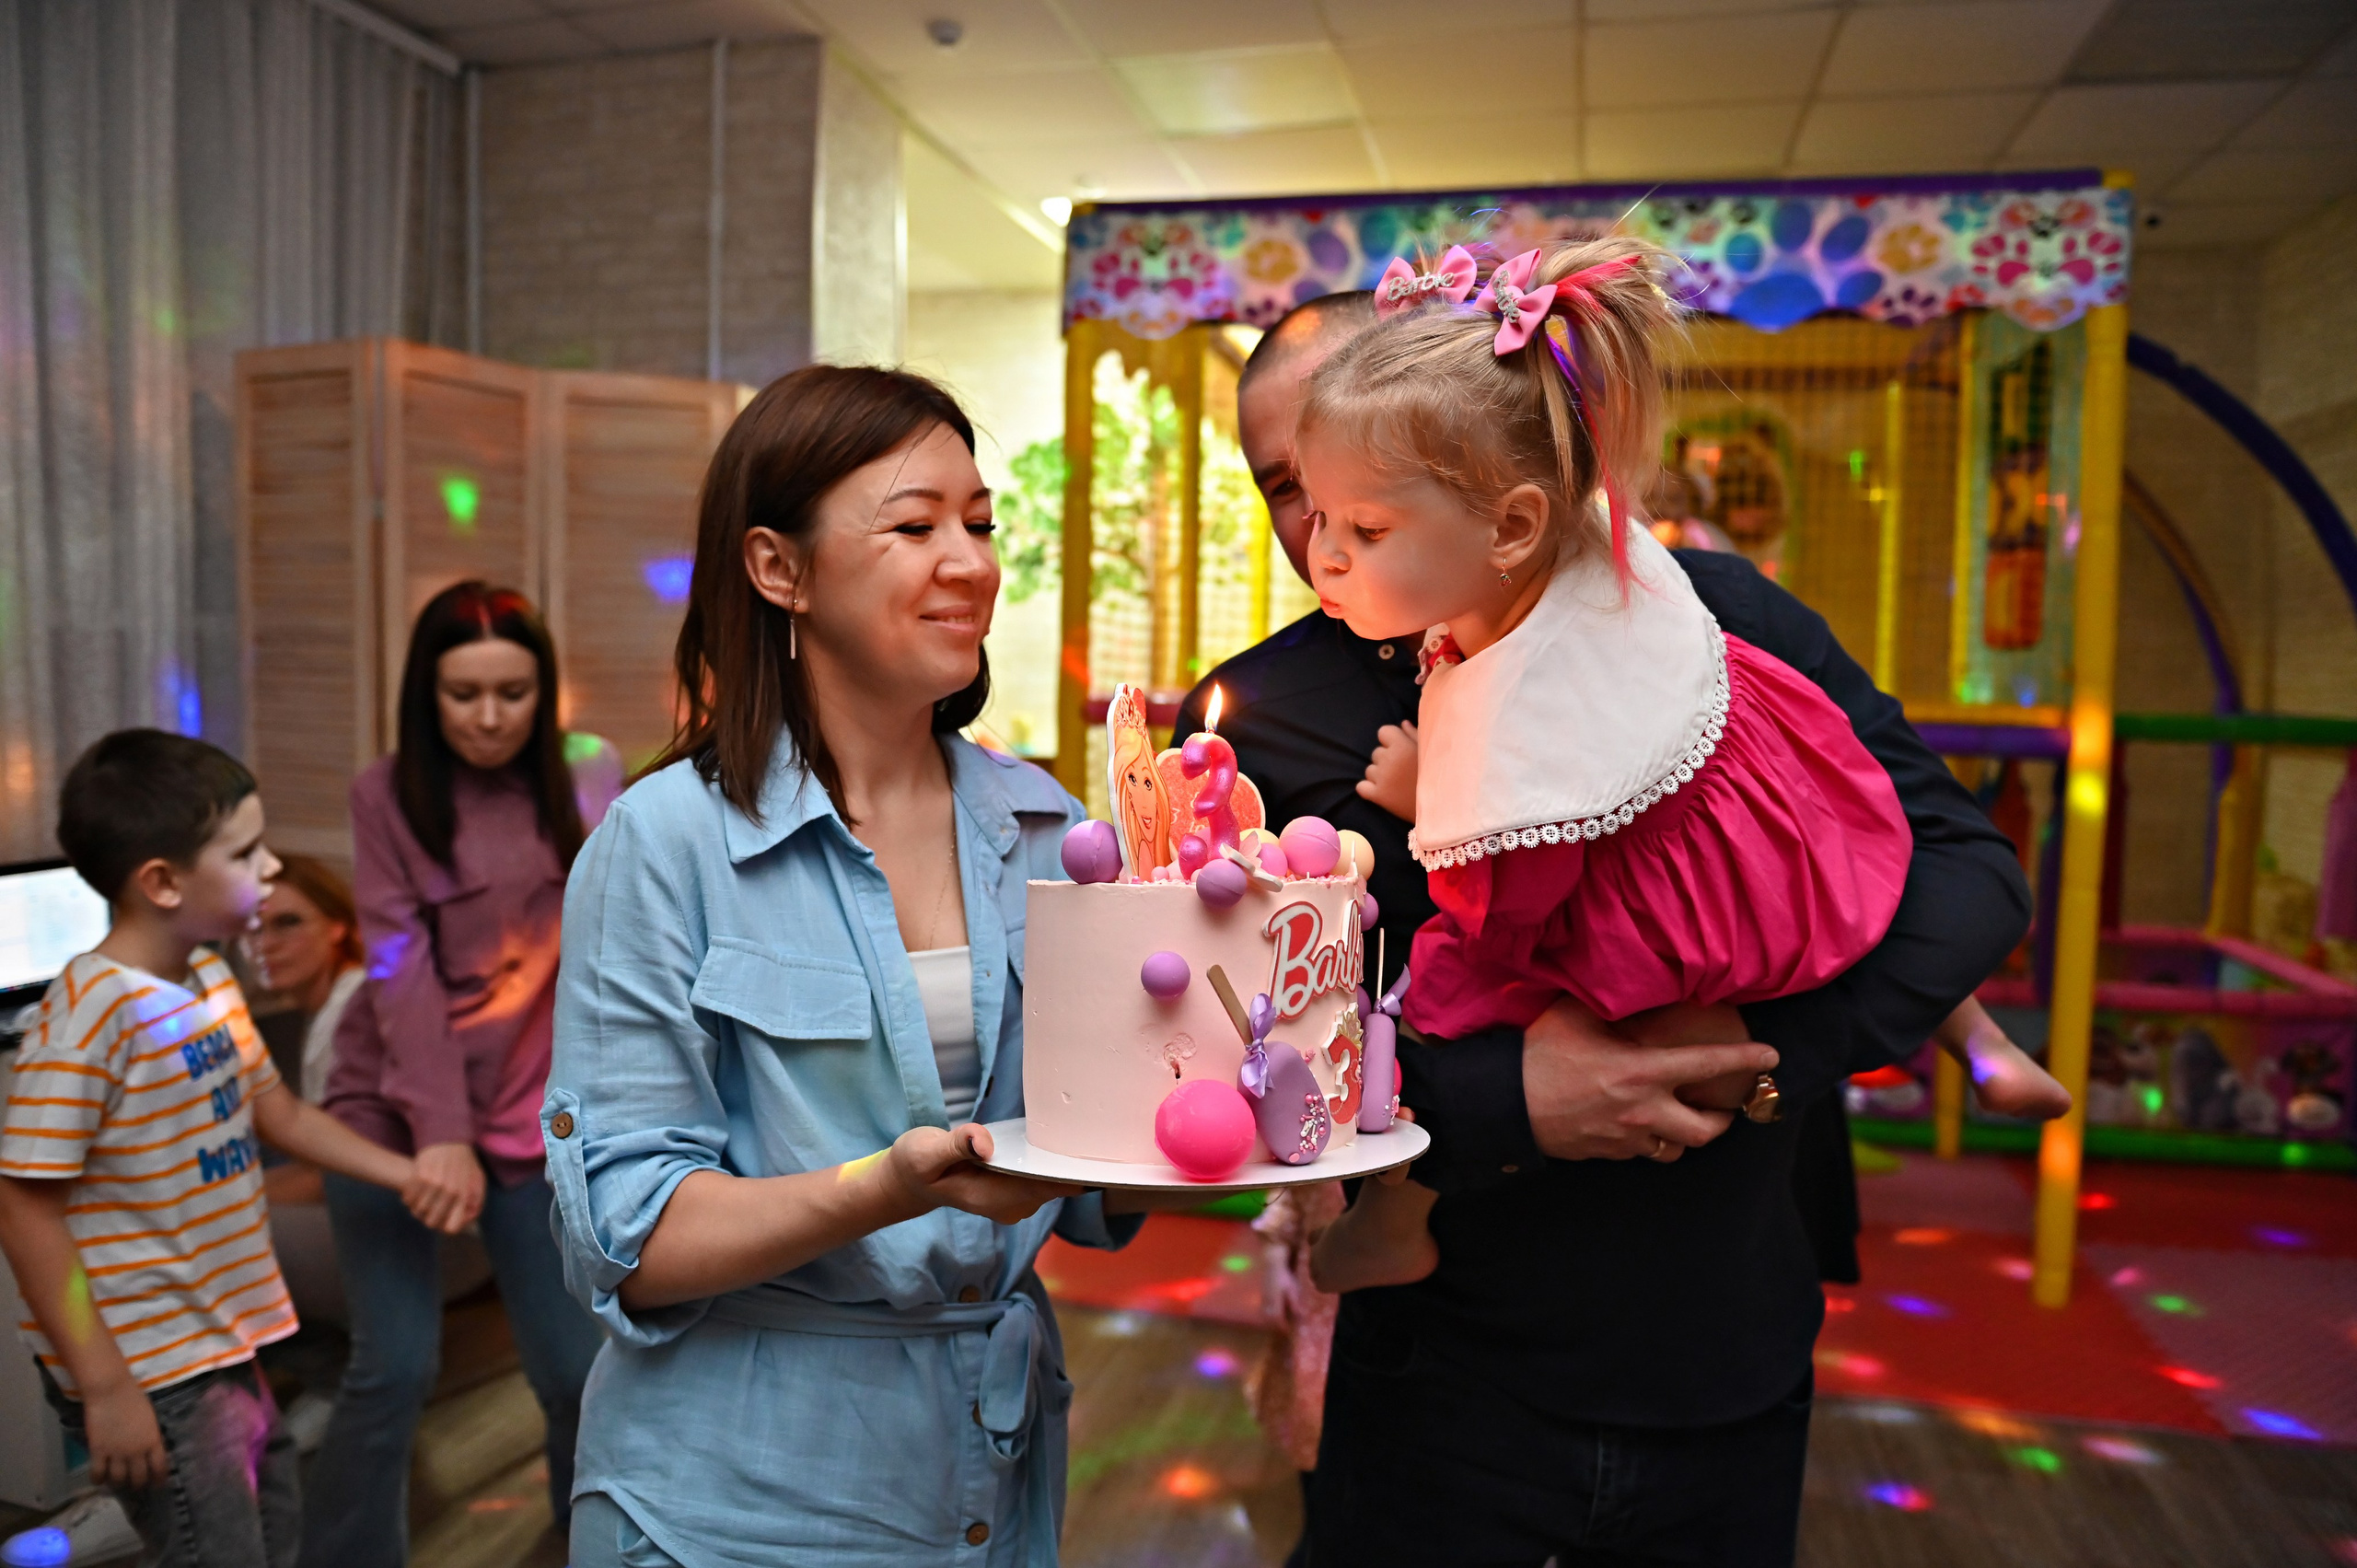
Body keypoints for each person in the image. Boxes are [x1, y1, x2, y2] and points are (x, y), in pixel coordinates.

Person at [1178, 280, 2032, 1564]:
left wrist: (1741, 1051)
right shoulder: (1264, 715)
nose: (1323, 534)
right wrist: (1511, 1095)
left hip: (1720, 1337)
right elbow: (1230, 1048)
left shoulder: (1706, 619)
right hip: (1440, 1364)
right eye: (1287, 487)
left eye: (1363, 486)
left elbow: (1962, 867)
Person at [1299, 239, 2067, 1291]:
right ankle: (1975, 1032)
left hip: (1707, 1239)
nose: (1321, 553)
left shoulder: (1537, 663)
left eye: (1365, 524)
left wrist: (1427, 799)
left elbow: (1510, 890)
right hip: (1802, 849)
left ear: (1515, 524)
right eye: (1308, 506)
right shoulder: (1623, 586)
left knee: (1447, 976)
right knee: (1857, 887)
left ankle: (1396, 1219)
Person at [544, 365, 1146, 1567]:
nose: (969, 560)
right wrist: (888, 1183)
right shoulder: (664, 844)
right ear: (780, 569)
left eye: (979, 523)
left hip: (989, 1475)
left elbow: (1092, 1191)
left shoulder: (1051, 830)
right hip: (734, 1500)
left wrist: (1230, 1107)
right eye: (915, 525)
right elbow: (628, 1237)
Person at [0, 730, 428, 1567]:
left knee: (271, 1528)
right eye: (245, 851)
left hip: (220, 1335)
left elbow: (282, 1115)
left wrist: (409, 1173)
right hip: (150, 1361)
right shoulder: (87, 1018)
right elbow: (22, 1206)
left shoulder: (208, 977)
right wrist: (107, 1385)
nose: (271, 866)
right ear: (161, 882)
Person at [300, 584, 610, 1568]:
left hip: (530, 1112)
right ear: (424, 695)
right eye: (462, 694)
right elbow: (400, 973)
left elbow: (614, 942)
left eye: (512, 692)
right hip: (390, 1110)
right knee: (394, 1366)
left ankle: (590, 1541)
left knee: (575, 1371)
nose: (487, 718)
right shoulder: (385, 792)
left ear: (543, 689)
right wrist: (437, 1129)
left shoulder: (588, 772)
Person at [247, 855, 365, 1107]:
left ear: (337, 926)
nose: (266, 945)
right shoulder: (329, 1007)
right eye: (253, 927)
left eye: (288, 922)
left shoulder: (356, 1009)